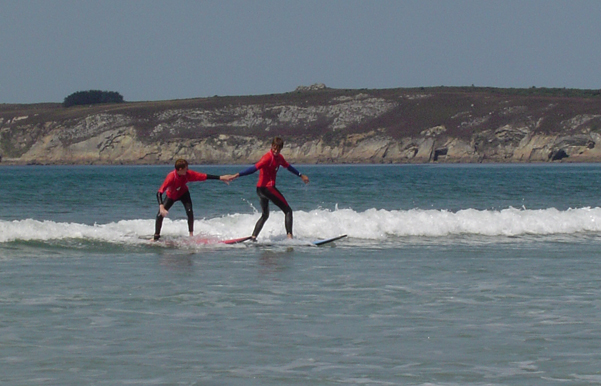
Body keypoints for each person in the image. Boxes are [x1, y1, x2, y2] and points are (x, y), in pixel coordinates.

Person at [232, 137, 309, 240]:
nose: (276, 151)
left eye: (278, 149)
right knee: (288, 211)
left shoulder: (280, 158)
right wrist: (237, 175)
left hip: (260, 190)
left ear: (281, 148)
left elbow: (288, 167)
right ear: (271, 146)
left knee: (265, 215)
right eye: (274, 148)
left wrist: (300, 175)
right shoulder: (267, 157)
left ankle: (253, 237)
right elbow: (254, 168)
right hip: (267, 188)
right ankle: (290, 238)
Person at [153, 159, 234, 241]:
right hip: (171, 196)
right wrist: (161, 207)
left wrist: (220, 178)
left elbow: (203, 176)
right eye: (186, 168)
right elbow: (159, 192)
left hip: (183, 193)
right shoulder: (171, 177)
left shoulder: (187, 174)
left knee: (189, 212)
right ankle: (156, 237)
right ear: (180, 169)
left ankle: (191, 235)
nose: (187, 170)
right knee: (160, 215)